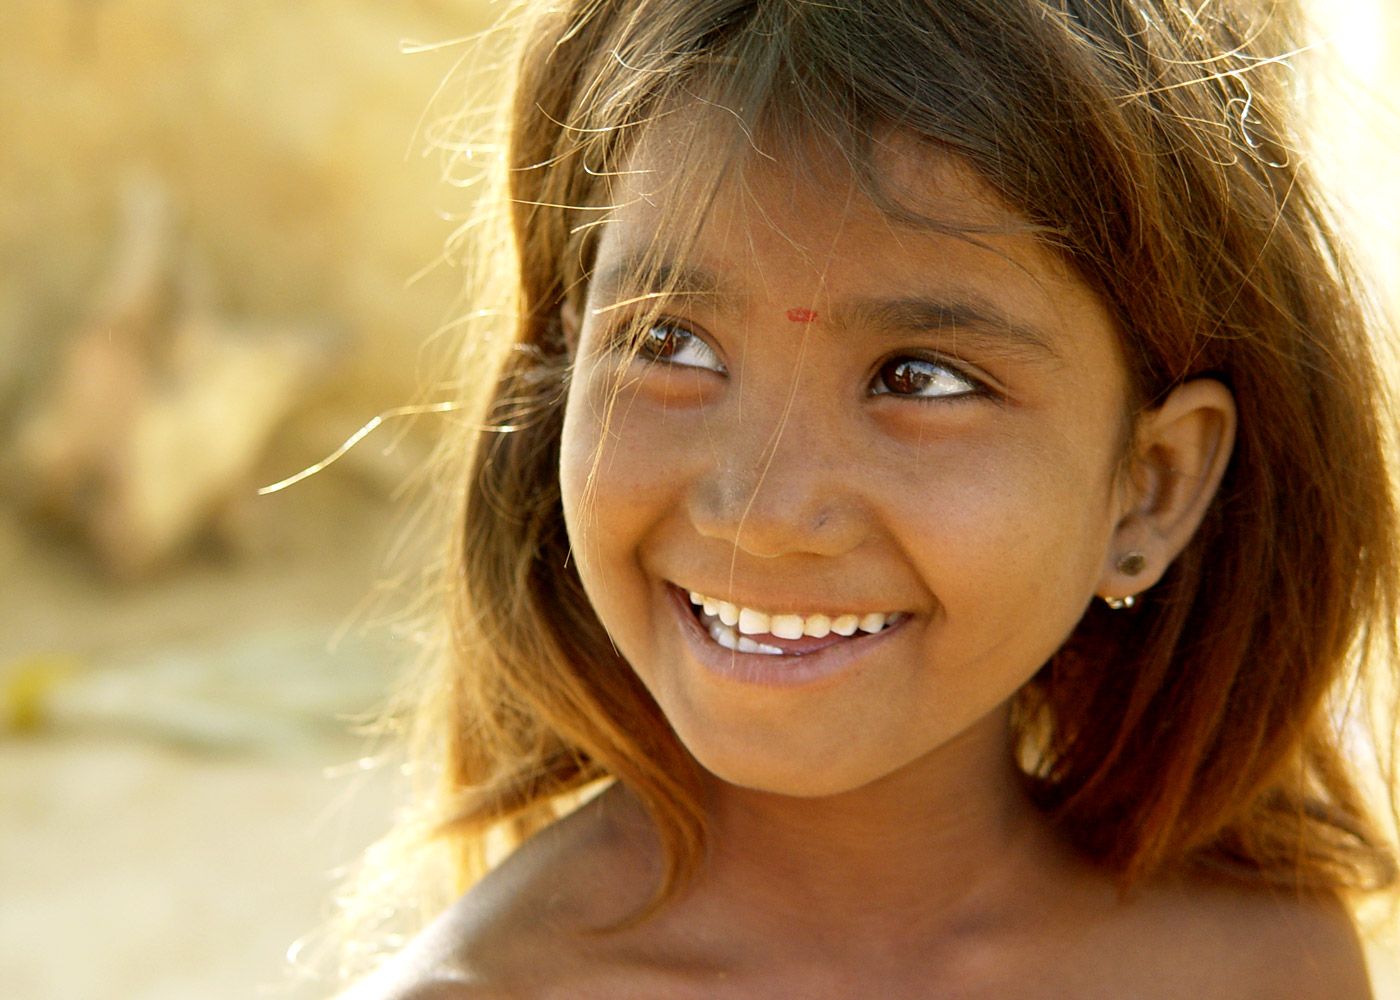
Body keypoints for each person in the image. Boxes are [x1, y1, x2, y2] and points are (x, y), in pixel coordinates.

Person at [337, 0, 1400, 995]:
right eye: (670, 341)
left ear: (1149, 490)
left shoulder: (1255, 967)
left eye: (918, 377)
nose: (758, 508)